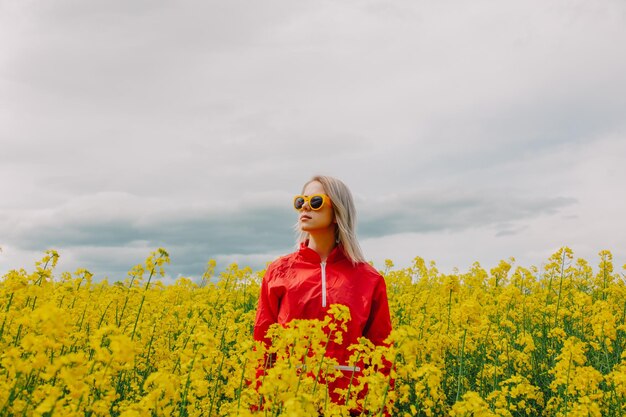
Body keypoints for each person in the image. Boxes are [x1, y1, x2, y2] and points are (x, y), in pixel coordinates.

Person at [253, 175, 392, 413]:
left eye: (315, 201)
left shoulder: (370, 279)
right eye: (300, 201)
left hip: (348, 404)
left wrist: (381, 409)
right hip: (290, 402)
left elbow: (381, 351)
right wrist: (257, 405)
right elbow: (263, 344)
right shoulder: (279, 271)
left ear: (338, 210)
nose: (305, 206)